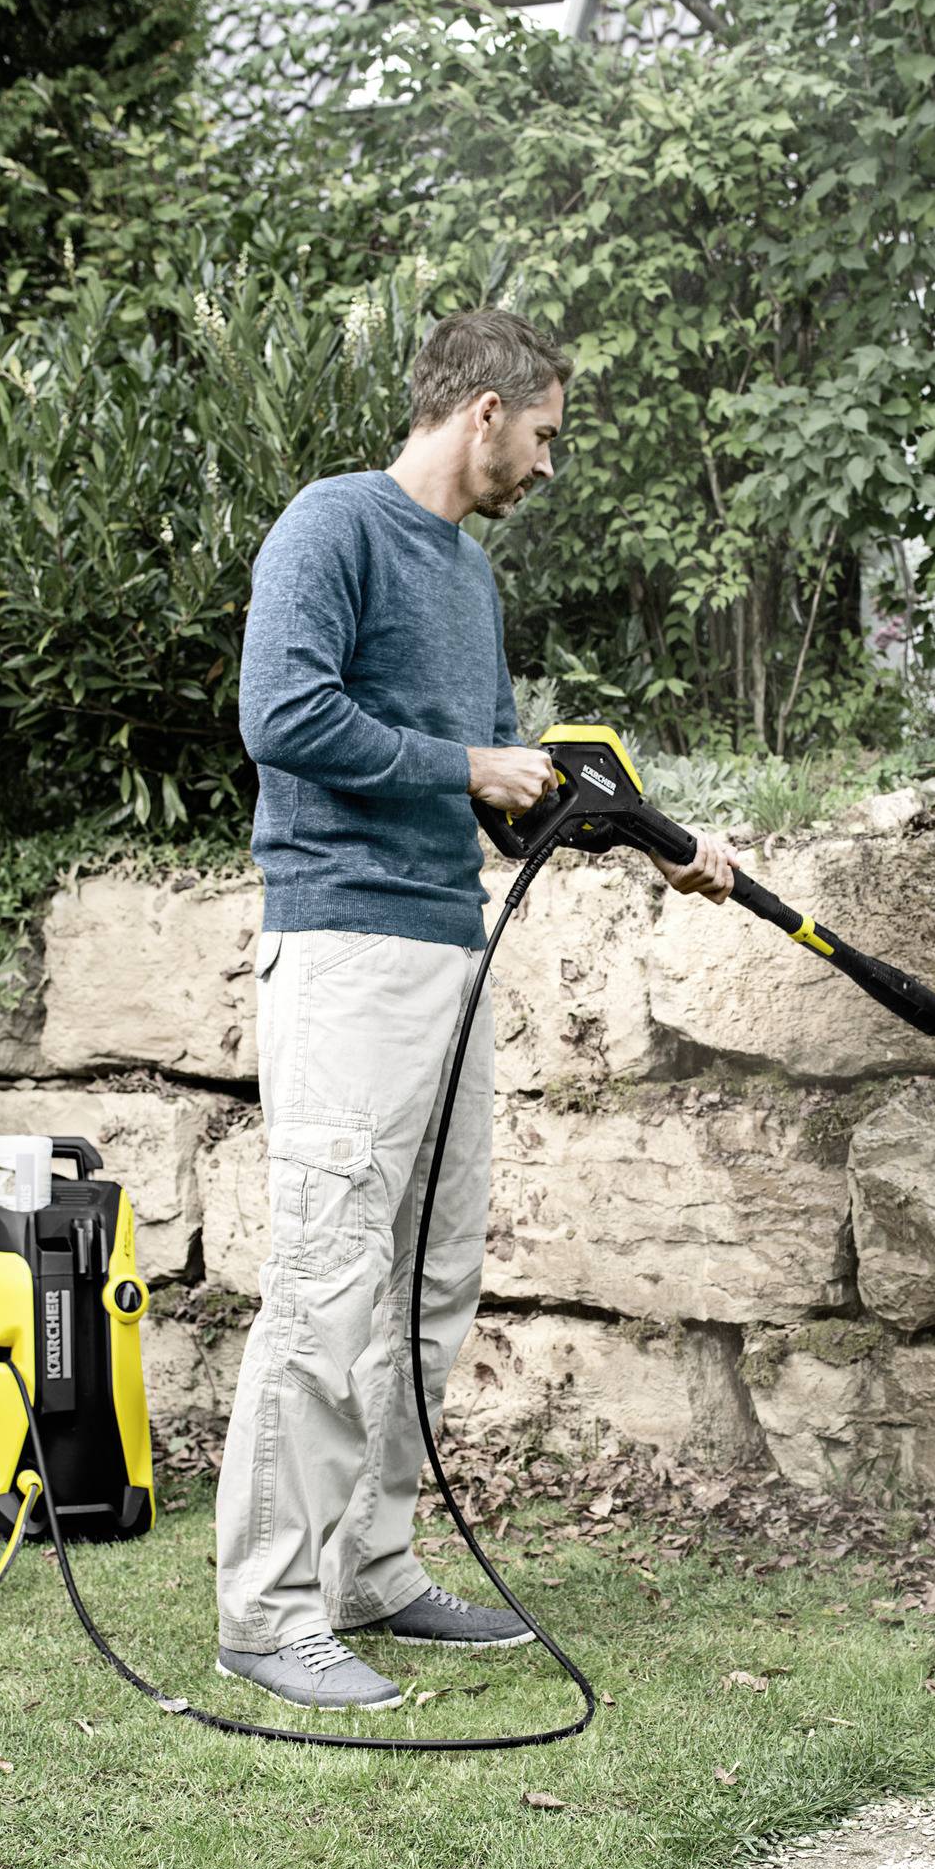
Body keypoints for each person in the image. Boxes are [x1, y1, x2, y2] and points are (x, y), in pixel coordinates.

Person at [214, 306, 736, 1710]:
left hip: (447, 952)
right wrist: (467, 763)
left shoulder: (467, 577)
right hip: (342, 953)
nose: (551, 466)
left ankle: (374, 1568)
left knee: (428, 1288)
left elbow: (506, 803)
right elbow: (284, 717)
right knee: (329, 1287)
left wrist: (654, 840)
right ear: (486, 411)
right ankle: (266, 1612)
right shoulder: (333, 527)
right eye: (549, 434)